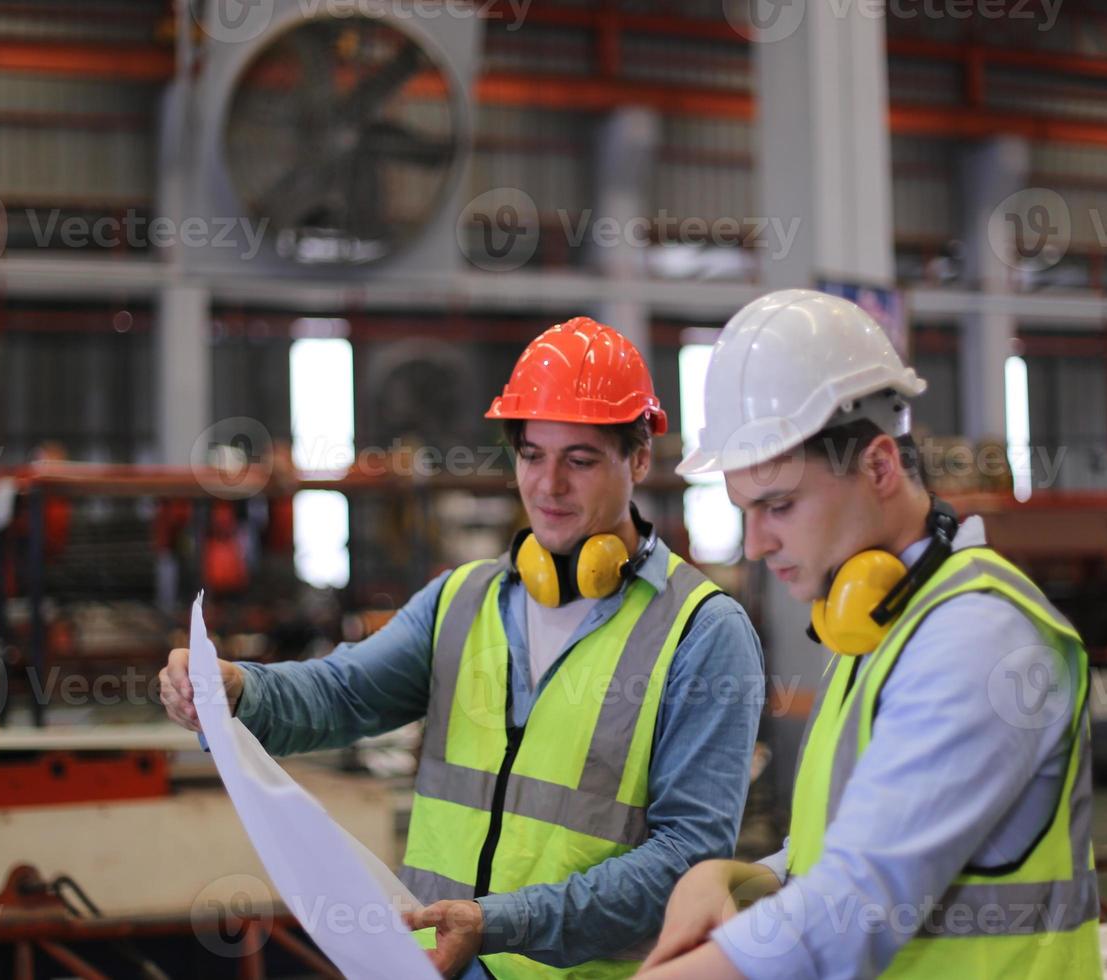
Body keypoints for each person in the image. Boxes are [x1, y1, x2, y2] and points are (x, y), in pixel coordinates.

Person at [160, 317, 764, 978]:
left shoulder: (702, 633)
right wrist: (238, 689)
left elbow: (688, 859)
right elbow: (343, 693)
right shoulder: (463, 601)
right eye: (532, 454)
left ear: (640, 458)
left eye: (580, 460)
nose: (548, 485)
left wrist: (497, 923)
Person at [639, 290, 1100, 979]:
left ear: (880, 467)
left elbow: (857, 906)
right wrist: (747, 879)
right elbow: (849, 855)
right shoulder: (881, 624)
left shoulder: (979, 641)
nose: (757, 543)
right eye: (744, 510)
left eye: (780, 505)